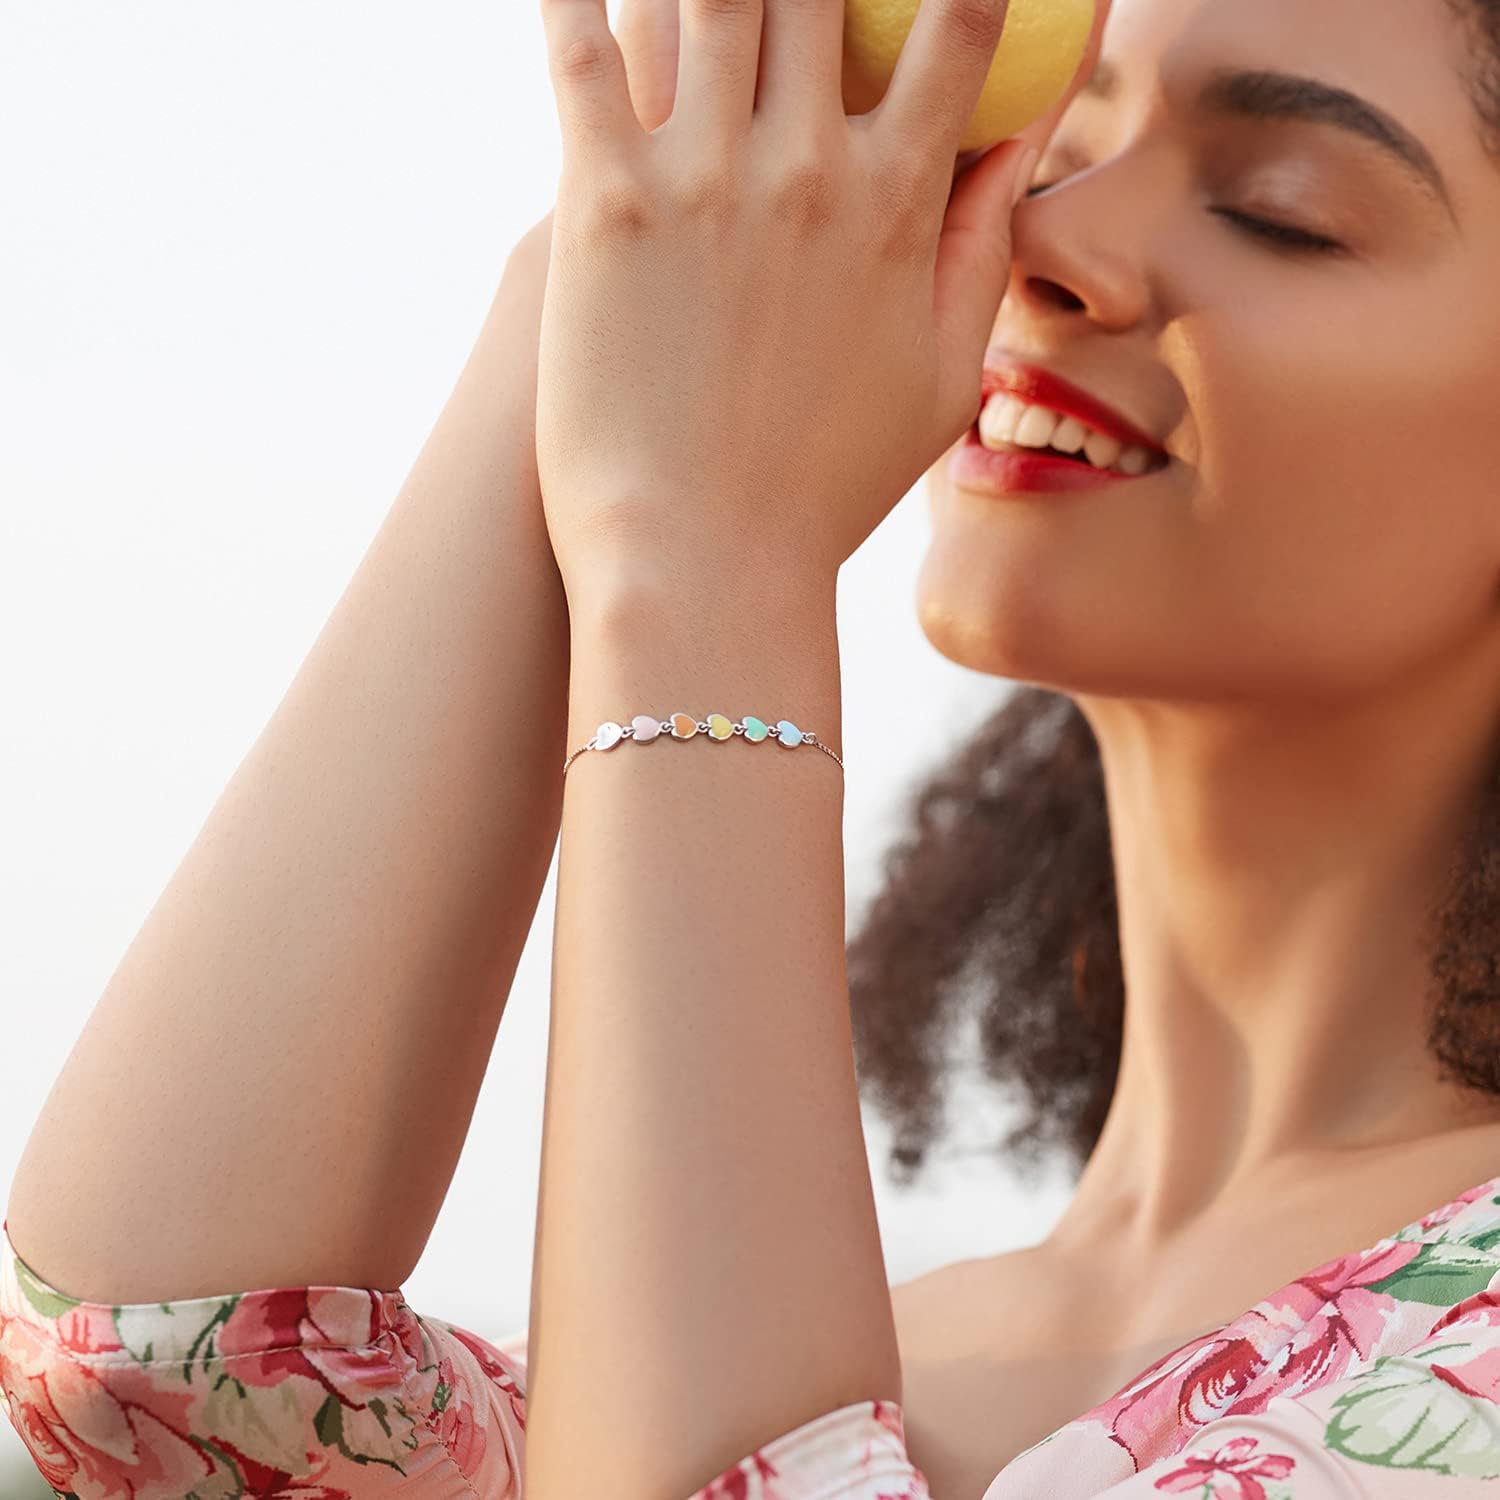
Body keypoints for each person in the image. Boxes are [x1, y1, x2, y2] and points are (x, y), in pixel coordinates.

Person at [6, 0, 1500, 1493]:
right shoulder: (848, 1345)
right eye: (1045, 154)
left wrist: (709, 563)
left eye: (1279, 214)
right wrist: (604, 271)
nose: (1042, 243)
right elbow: (143, 1383)